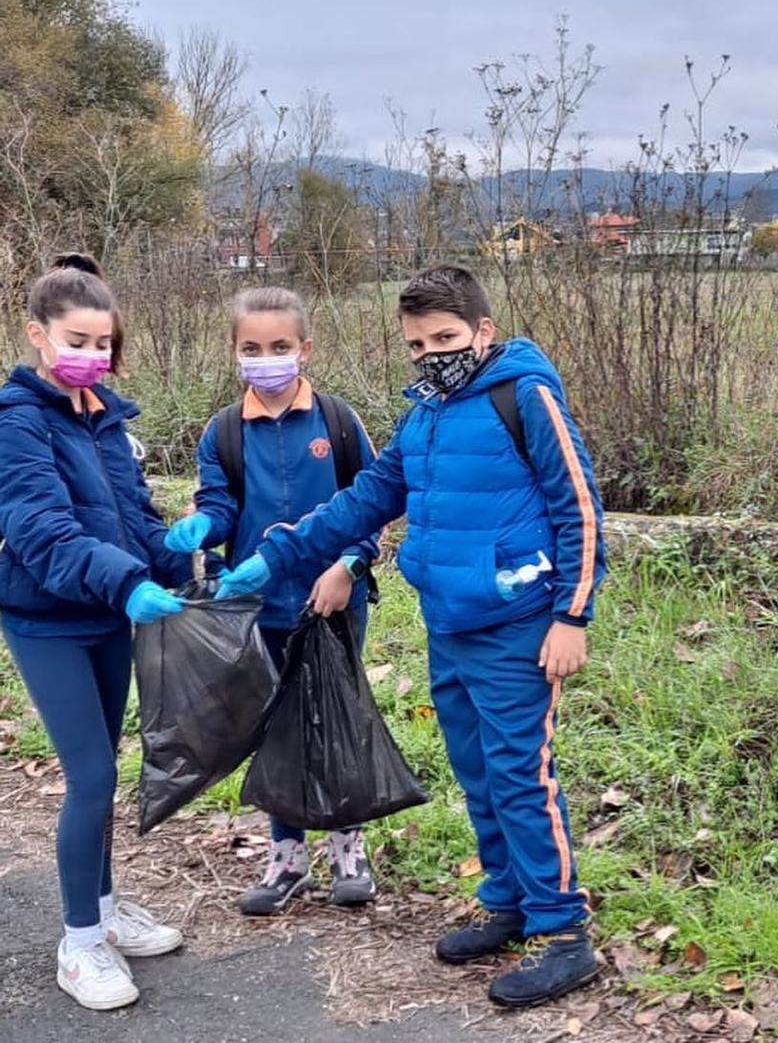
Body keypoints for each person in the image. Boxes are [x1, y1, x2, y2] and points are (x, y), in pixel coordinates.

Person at [215, 264, 606, 1007]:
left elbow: (579, 506)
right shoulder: (424, 411)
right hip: (448, 623)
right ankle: (507, 900)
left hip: (519, 624)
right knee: (479, 771)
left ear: (483, 332)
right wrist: (275, 553)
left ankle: (563, 933)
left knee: (523, 776)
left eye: (447, 338)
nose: (433, 353)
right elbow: (366, 498)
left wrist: (571, 615)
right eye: (418, 343)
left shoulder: (524, 395)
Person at [0, 254, 189, 1011]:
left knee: (106, 764)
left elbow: (134, 518)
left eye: (104, 343)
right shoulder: (16, 423)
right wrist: (124, 579)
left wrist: (177, 550)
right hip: (48, 621)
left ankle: (105, 912)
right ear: (37, 335)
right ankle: (78, 941)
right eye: (77, 338)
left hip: (113, 612)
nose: (92, 355)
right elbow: (40, 528)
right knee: (92, 775)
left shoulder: (105, 415)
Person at [163, 286, 382, 916]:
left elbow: (370, 506)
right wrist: (203, 527)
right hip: (256, 605)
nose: (268, 359)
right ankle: (286, 855)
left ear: (305, 349)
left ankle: (348, 845)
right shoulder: (224, 432)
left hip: (333, 599)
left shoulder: (338, 422)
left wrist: (348, 564)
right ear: (235, 353)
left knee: (335, 717)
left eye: (280, 347)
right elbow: (219, 504)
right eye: (253, 348)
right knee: (273, 727)